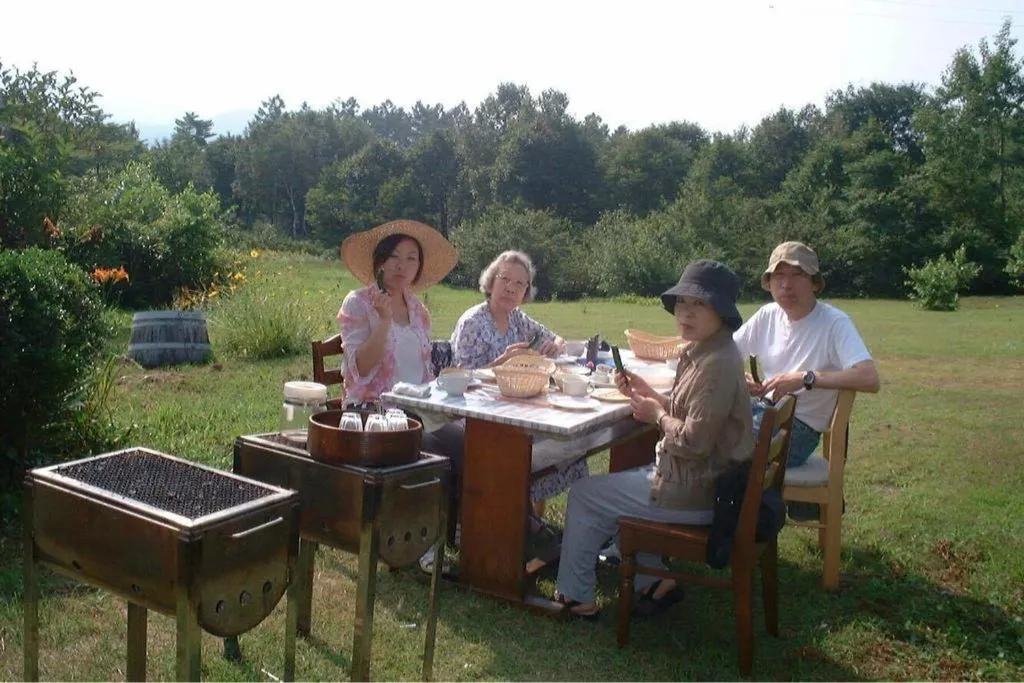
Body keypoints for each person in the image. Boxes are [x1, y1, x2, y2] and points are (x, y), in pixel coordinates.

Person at [553, 259, 754, 619]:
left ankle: (575, 595)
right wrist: (650, 395)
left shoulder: (716, 364)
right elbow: (692, 414)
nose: (685, 313)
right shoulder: (708, 350)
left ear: (722, 311)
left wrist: (657, 415)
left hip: (698, 490)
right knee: (619, 484)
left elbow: (694, 442)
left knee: (585, 494)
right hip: (701, 479)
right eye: (682, 303)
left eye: (699, 304)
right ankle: (654, 581)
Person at [336, 219, 463, 571]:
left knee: (470, 442)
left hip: (416, 407)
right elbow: (359, 369)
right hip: (371, 410)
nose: (401, 266)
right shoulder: (359, 302)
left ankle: (461, 529)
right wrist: (384, 320)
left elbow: (423, 371)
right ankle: (419, 543)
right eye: (393, 256)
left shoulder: (418, 309)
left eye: (411, 258)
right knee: (431, 448)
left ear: (418, 267)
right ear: (378, 261)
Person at [449, 250, 585, 516]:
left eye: (519, 283)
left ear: (525, 291)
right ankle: (519, 518)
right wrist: (502, 361)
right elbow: (461, 378)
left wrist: (554, 345)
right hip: (478, 417)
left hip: (517, 408)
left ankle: (531, 518)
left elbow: (557, 339)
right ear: (491, 282)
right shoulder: (473, 322)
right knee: (544, 445)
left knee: (570, 447)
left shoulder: (516, 318)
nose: (511, 288)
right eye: (505, 279)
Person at [732, 241, 881, 470]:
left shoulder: (834, 322)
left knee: (717, 446)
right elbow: (726, 354)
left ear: (814, 283)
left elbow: (869, 378)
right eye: (779, 275)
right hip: (765, 410)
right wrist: (738, 376)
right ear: (769, 283)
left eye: (797, 274)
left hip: (798, 428)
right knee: (700, 419)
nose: (786, 284)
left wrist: (806, 378)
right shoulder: (768, 315)